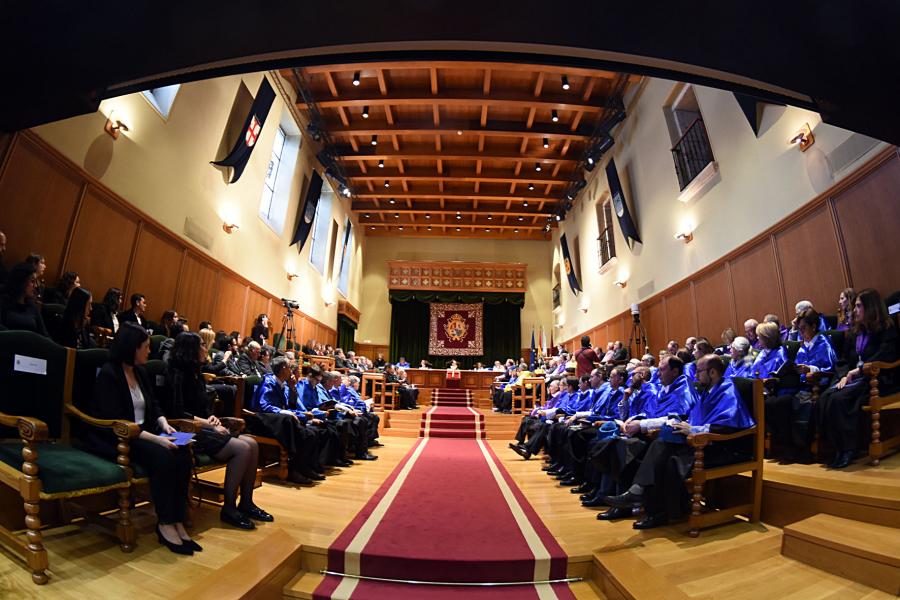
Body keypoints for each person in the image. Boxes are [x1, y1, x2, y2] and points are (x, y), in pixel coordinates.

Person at [604, 354, 754, 529]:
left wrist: (693, 429)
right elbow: (694, 419)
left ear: (712, 373)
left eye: (699, 371)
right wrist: (684, 426)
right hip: (700, 442)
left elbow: (728, 426)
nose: (695, 376)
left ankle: (646, 499)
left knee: (663, 452)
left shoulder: (727, 390)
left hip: (723, 446)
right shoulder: (707, 391)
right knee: (657, 448)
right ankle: (658, 510)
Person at [87, 323, 197, 555]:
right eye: (146, 347)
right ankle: (165, 523)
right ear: (132, 348)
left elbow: (154, 404)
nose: (149, 351)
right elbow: (116, 420)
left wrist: (163, 423)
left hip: (145, 433)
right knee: (164, 456)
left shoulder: (140, 371)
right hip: (119, 438)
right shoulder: (109, 373)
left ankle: (178, 520)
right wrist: (158, 440)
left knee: (184, 454)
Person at [162, 332, 271, 529]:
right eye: (202, 345)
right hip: (180, 432)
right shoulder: (175, 374)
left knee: (252, 444)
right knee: (242, 448)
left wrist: (212, 418)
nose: (206, 349)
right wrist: (208, 423)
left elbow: (202, 409)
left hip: (201, 427)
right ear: (190, 350)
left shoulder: (197, 373)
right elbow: (175, 412)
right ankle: (229, 508)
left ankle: (246, 503)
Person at [812, 289, 897, 469]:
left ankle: (850, 449)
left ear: (871, 308)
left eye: (859, 306)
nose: (855, 310)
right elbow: (843, 360)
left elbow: (886, 354)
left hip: (877, 378)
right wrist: (843, 375)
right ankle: (838, 448)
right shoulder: (854, 333)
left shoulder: (886, 328)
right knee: (825, 398)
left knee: (840, 399)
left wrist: (858, 371)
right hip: (854, 379)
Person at [766, 309, 836, 462]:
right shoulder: (803, 346)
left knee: (786, 402)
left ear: (814, 326)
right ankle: (788, 446)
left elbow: (831, 367)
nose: (801, 332)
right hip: (799, 385)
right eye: (800, 329)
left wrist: (809, 369)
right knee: (774, 403)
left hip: (817, 385)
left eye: (804, 328)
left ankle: (800, 448)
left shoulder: (823, 343)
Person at [247, 357, 329, 483]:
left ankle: (304, 468)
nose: (292, 371)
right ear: (283, 368)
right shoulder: (268, 381)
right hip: (264, 422)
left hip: (280, 421)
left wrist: (292, 388)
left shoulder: (283, 384)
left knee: (313, 432)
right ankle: (293, 471)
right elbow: (263, 406)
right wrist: (285, 412)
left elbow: (289, 406)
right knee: (303, 432)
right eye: (290, 367)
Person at [0, 262, 49, 336]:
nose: (36, 286)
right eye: (32, 281)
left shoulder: (33, 307)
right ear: (21, 281)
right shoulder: (2, 303)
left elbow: (45, 335)